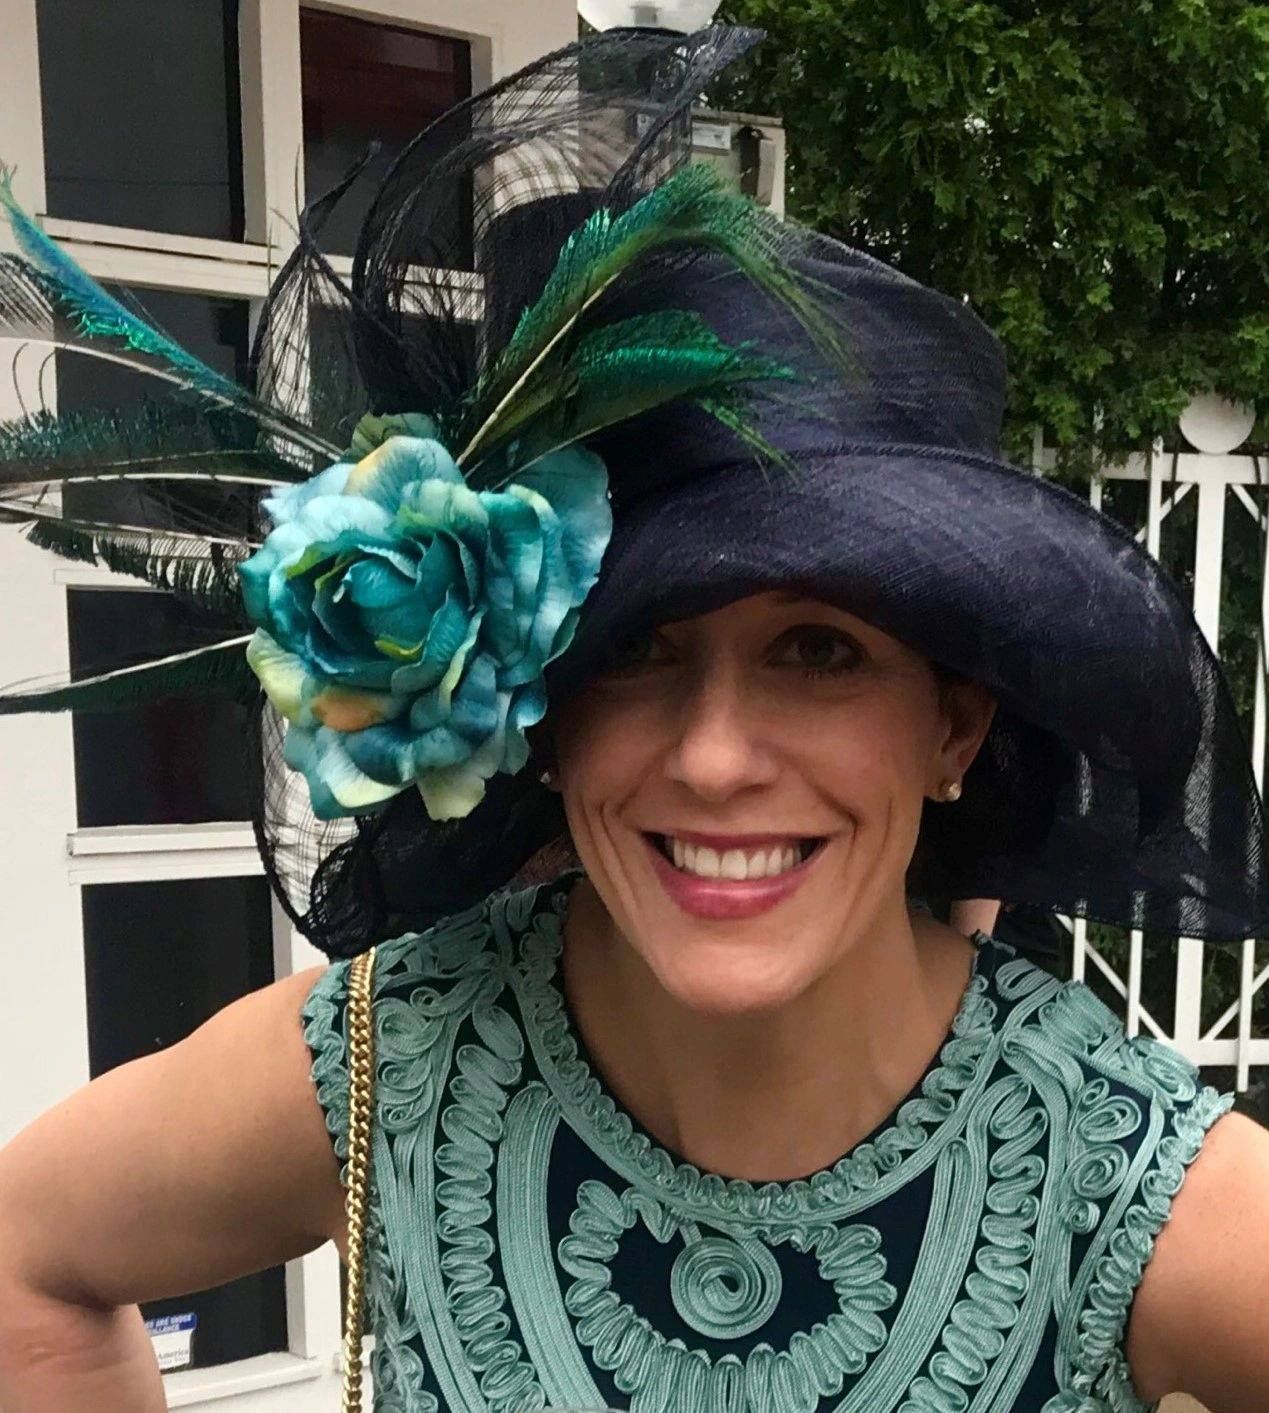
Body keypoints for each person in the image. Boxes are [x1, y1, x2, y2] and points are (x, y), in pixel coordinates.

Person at [1, 23, 1267, 1413]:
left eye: (818, 650)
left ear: (950, 727)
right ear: (539, 696)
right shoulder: (391, 1057)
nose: (715, 754)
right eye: (634, 650)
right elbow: (27, 1258)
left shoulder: (1134, 1196)